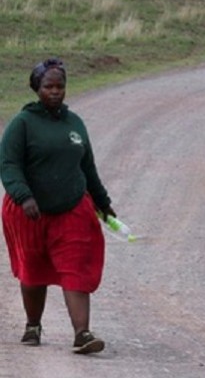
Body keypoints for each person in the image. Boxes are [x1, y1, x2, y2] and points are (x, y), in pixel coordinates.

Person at [0, 57, 116, 354]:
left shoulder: (74, 123)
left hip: (72, 209)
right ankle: (33, 325)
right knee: (33, 270)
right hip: (30, 211)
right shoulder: (22, 123)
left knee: (75, 267)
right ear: (37, 88)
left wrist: (103, 203)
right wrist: (23, 196)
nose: (55, 91)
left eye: (60, 86)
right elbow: (9, 164)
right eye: (48, 86)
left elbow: (87, 168)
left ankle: (82, 334)